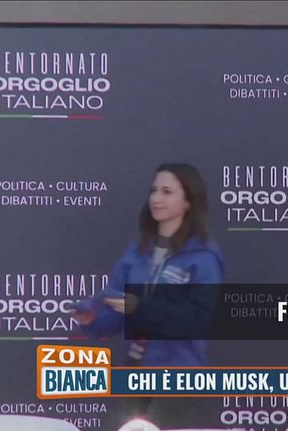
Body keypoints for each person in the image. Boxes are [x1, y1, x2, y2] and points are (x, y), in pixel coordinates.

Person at [71, 163, 224, 423]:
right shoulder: (137, 252)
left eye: (167, 192)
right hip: (134, 374)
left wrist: (139, 308)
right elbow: (117, 312)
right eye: (154, 190)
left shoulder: (204, 257)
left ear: (188, 201)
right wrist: (92, 320)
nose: (156, 198)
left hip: (178, 379)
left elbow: (196, 320)